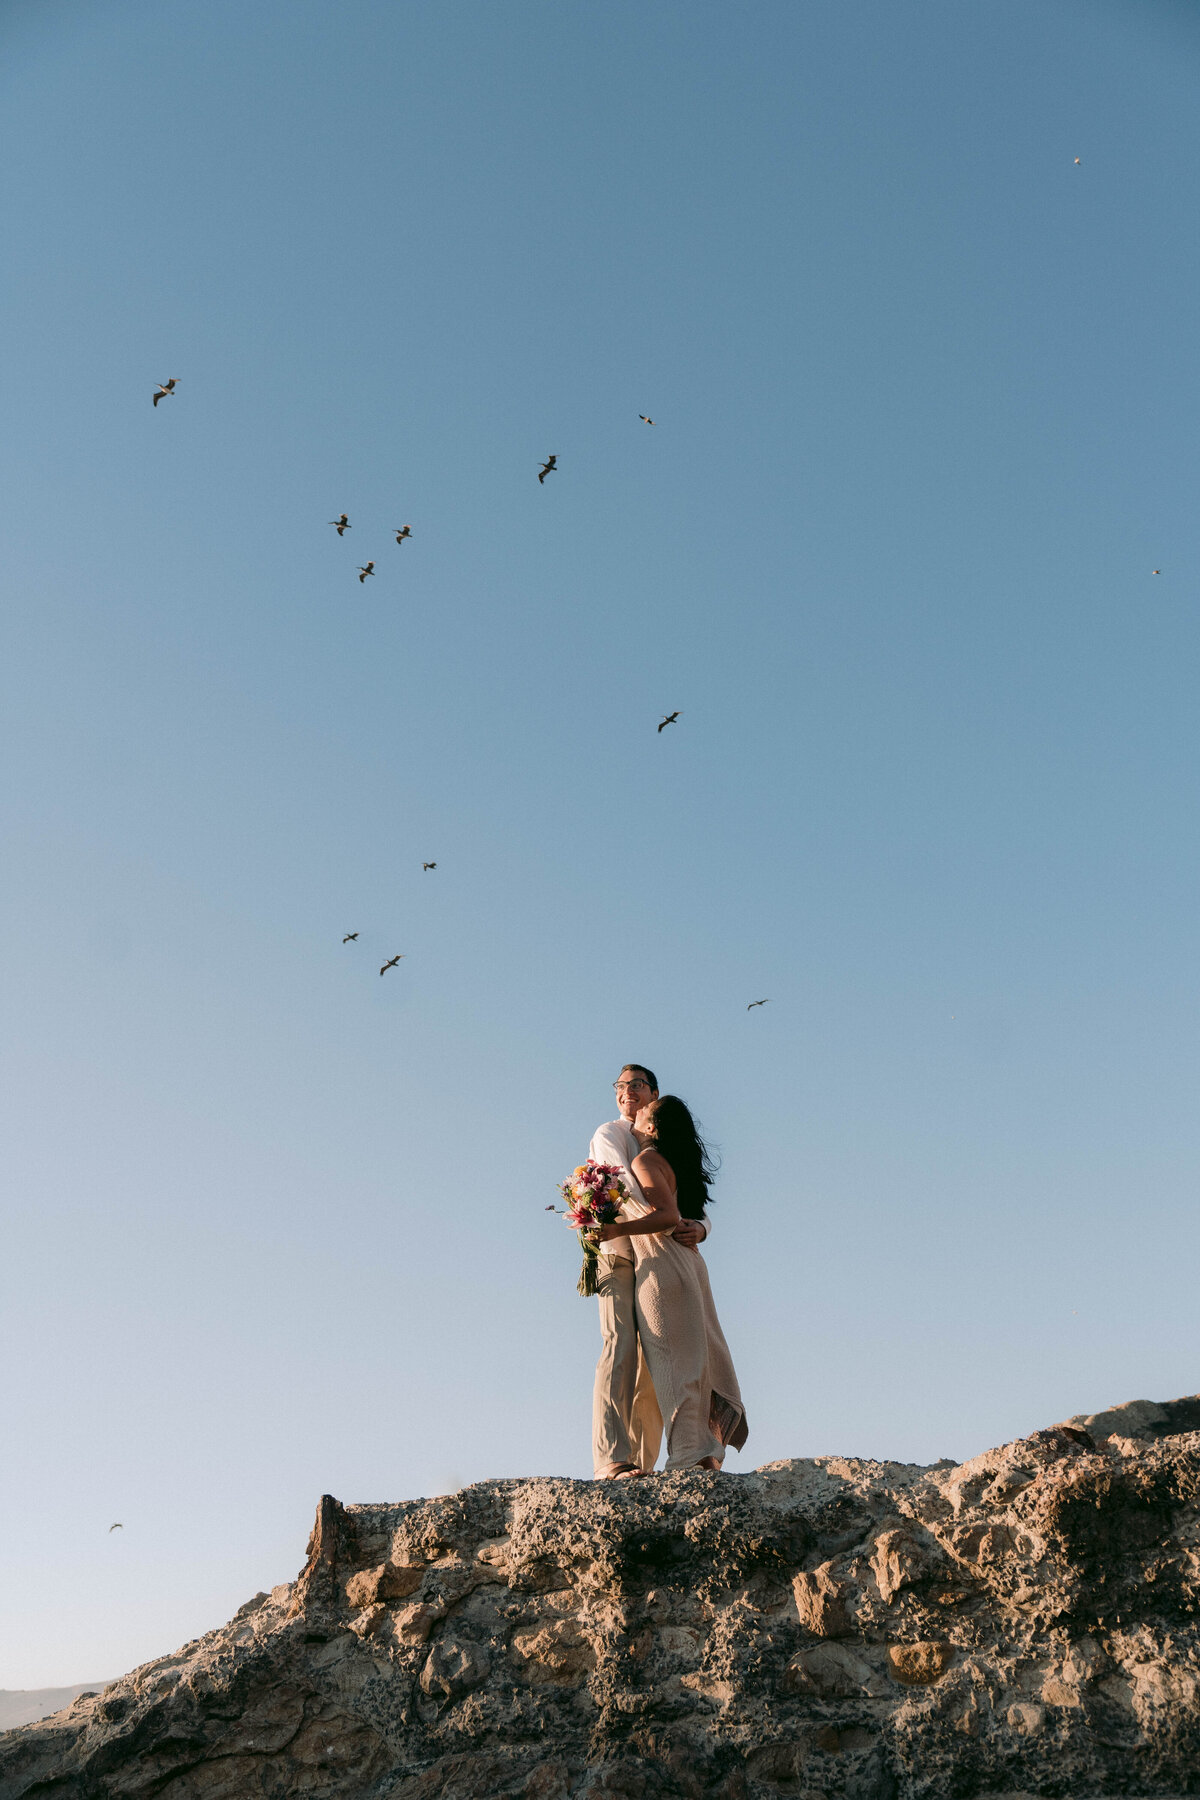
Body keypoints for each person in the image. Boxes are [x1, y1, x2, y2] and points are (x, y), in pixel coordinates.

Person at [599, 1093, 747, 1471]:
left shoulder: (645, 1160)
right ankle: (706, 1455)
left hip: (664, 1267)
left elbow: (666, 1217)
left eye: (646, 1110)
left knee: (672, 1367)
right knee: (695, 1364)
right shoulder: (673, 1162)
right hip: (691, 1265)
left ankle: (687, 1459)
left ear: (651, 1127)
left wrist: (616, 1228)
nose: (638, 1110)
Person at [589, 1065, 707, 1480]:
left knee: (659, 1360)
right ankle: (612, 1459)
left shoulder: (657, 1144)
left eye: (636, 1085)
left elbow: (683, 1193)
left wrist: (701, 1226)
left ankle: (647, 1460)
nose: (627, 1093)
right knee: (620, 1347)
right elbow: (633, 1198)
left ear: (653, 1094)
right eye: (619, 1086)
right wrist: (668, 1224)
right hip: (620, 1253)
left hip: (657, 1256)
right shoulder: (612, 1136)